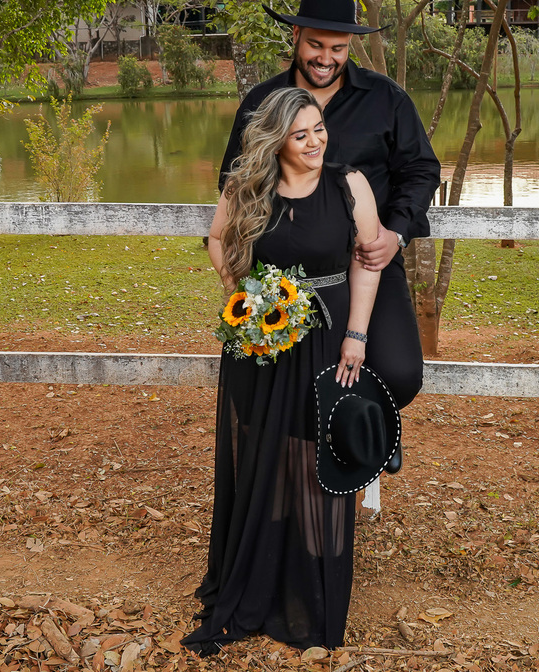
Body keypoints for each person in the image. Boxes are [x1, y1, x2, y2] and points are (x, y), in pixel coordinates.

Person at [185, 88, 385, 655]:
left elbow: (365, 262)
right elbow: (218, 239)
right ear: (277, 141)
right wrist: (243, 299)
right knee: (261, 454)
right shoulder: (245, 186)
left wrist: (356, 335)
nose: (316, 141)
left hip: (327, 340)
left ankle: (314, 590)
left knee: (316, 457)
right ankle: (260, 574)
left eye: (319, 129)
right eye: (301, 135)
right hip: (263, 343)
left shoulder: (351, 185)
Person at [220, 0, 441, 413]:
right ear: (296, 37)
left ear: (350, 46)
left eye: (338, 48)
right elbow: (234, 178)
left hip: (367, 261)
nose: (326, 58)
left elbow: (422, 170)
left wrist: (393, 234)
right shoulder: (263, 101)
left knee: (399, 373)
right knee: (278, 381)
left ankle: (367, 435)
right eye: (316, 45)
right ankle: (305, 467)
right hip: (285, 269)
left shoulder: (386, 99)